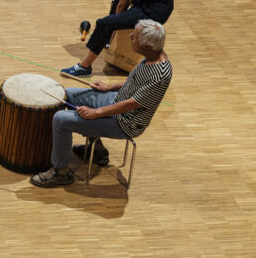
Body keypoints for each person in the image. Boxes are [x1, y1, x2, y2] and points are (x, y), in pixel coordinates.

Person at [33, 20, 171, 188]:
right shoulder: (151, 56)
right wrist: (109, 87)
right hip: (116, 100)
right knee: (67, 94)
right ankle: (96, 149)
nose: (130, 36)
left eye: (134, 37)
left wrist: (96, 113)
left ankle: (60, 172)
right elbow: (135, 82)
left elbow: (132, 103)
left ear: (147, 46)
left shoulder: (160, 74)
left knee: (60, 119)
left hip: (125, 122)